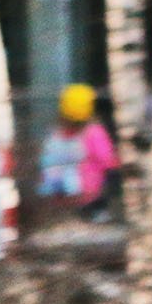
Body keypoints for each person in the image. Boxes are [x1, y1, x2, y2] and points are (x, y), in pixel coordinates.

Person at [37, 84, 118, 216]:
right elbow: (107, 161)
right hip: (91, 196)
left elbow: (45, 161)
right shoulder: (94, 132)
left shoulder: (55, 134)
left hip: (59, 198)